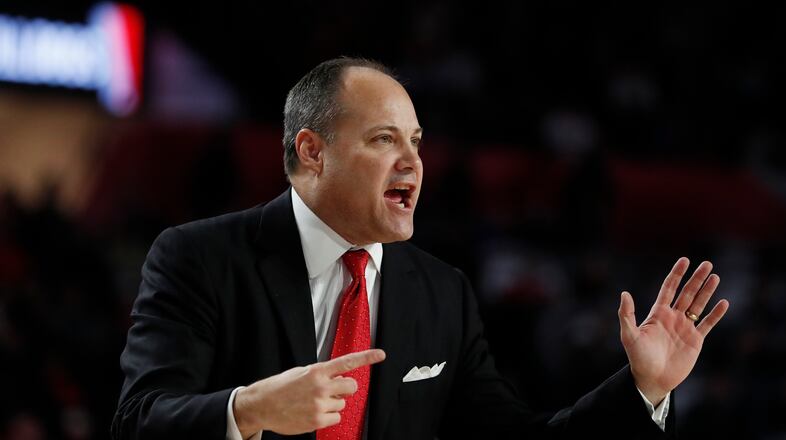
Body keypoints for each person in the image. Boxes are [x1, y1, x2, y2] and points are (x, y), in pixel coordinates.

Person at [111, 57, 729, 439]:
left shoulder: (442, 293)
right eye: (384, 139)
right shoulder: (197, 258)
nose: (413, 161)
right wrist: (246, 410)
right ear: (312, 151)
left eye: (417, 140)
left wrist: (642, 388)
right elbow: (140, 421)